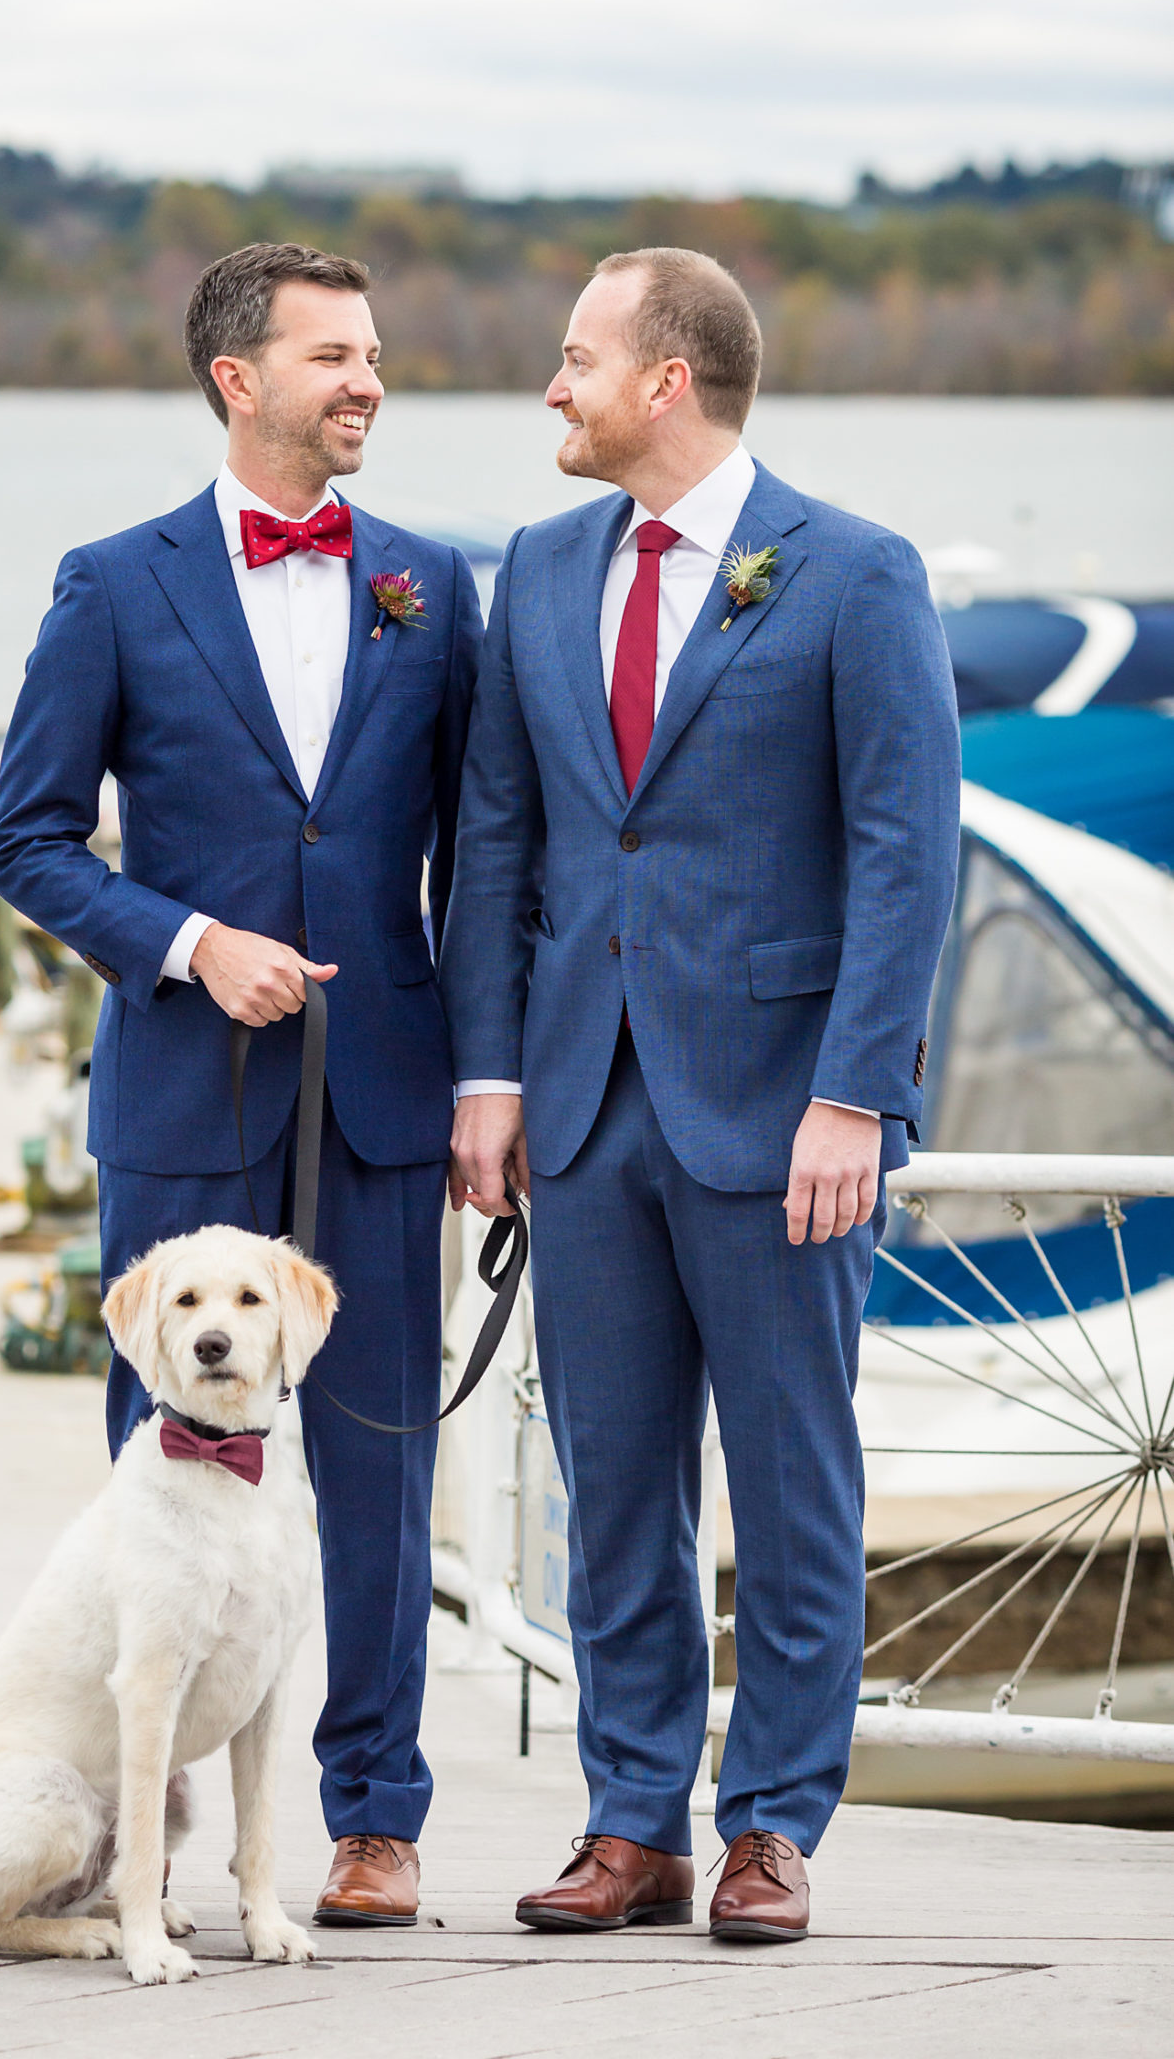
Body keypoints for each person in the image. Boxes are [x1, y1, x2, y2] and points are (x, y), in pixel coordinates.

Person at [442, 247, 959, 1945]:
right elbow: (505, 839)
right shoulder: (541, 567)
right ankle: (631, 1823)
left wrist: (858, 1097)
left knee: (797, 1481)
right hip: (583, 1107)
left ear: (668, 379)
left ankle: (773, 1829)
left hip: (781, 1114)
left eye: (577, 358)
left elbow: (904, 853)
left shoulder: (854, 573)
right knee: (612, 1484)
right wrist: (495, 1073)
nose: (553, 388)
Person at [0, 240, 482, 1927]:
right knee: (165, 1488)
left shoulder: (429, 586)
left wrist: (489, 1078)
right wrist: (192, 943)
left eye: (373, 352)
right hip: (187, 1103)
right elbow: (30, 843)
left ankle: (374, 1818)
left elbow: (480, 861)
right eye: (334, 355)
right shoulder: (112, 585)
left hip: (386, 1095)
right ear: (236, 380)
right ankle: (146, 1839)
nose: (368, 382)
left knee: (381, 1466)